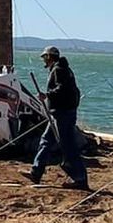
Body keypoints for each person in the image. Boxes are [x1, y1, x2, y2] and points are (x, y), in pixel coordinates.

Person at [28, 45, 88, 190]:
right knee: (46, 141)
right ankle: (36, 172)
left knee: (67, 145)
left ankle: (80, 178)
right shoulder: (62, 69)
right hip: (58, 113)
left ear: (49, 57)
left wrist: (47, 95)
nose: (44, 60)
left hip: (62, 114)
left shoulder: (59, 70)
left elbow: (63, 89)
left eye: (45, 57)